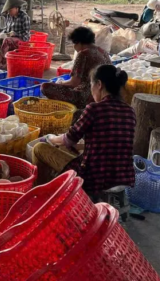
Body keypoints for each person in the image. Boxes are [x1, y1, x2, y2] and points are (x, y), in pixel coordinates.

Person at [32, 65, 136, 199]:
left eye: (91, 85)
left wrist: (50, 139)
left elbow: (68, 139)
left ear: (99, 84)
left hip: (96, 178)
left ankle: (42, 196)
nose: (91, 90)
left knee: (39, 148)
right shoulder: (130, 111)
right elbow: (111, 142)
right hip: (123, 176)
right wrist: (78, 146)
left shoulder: (94, 109)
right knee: (71, 149)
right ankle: (53, 187)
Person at [42, 26, 111, 109]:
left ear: (78, 42)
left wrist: (60, 83)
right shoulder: (103, 52)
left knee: (45, 87)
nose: (74, 47)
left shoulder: (83, 54)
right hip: (105, 96)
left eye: (74, 44)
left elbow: (74, 83)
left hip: (86, 97)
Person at [0, 0, 31, 69]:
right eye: (8, 11)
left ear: (17, 8)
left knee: (7, 40)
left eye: (10, 10)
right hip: (9, 37)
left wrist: (14, 33)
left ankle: (1, 62)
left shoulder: (24, 17)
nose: (9, 12)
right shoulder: (9, 16)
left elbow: (26, 35)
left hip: (21, 40)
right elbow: (6, 29)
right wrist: (2, 33)